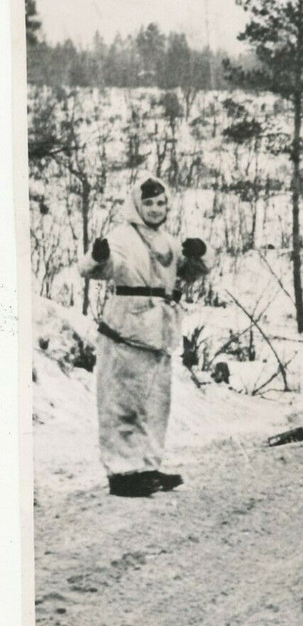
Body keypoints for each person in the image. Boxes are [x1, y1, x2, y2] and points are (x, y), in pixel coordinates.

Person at [79, 175, 213, 497]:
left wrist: (200, 253)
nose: (155, 209)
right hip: (126, 330)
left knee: (155, 404)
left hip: (159, 332)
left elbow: (190, 271)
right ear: (137, 206)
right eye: (149, 203)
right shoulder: (121, 237)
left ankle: (148, 467)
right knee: (122, 403)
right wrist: (99, 256)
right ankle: (123, 474)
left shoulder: (168, 241)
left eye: (160, 203)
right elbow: (95, 269)